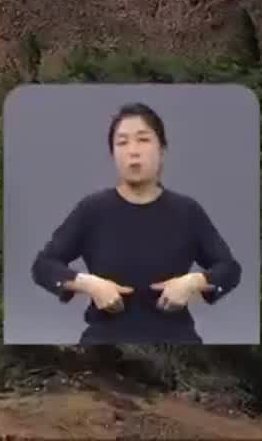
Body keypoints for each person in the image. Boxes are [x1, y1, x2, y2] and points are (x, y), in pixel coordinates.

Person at [30, 102, 241, 344]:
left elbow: (229, 269)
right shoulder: (93, 209)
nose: (133, 150)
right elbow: (43, 265)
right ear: (113, 155)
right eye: (122, 142)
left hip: (176, 340)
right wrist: (89, 284)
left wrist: (193, 282)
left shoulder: (187, 211)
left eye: (143, 140)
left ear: (162, 150)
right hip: (104, 340)